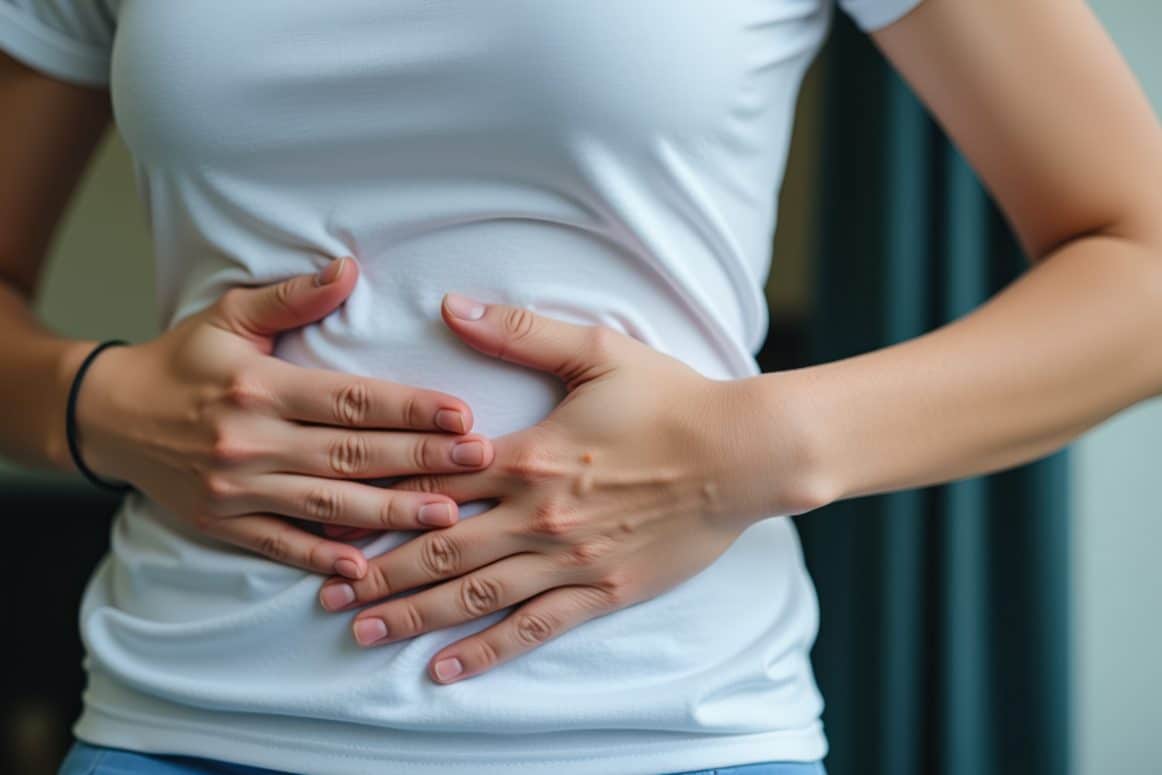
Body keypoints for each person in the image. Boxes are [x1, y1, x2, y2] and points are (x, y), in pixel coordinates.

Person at [2, 0, 1161, 773]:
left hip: (662, 735)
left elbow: (1141, 265)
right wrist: (91, 402)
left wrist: (746, 449)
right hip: (180, 727)